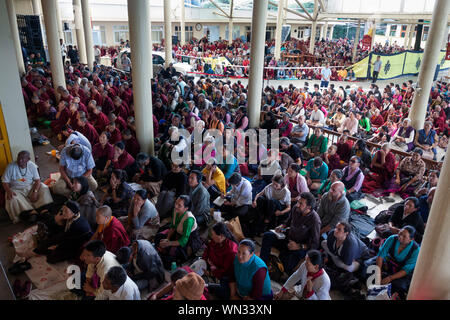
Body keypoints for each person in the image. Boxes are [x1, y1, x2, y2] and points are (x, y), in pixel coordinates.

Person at [260, 192, 321, 275]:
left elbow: (314, 244)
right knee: (267, 236)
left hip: (300, 247)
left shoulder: (315, 220)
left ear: (308, 207)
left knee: (286, 265)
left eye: (301, 203)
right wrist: (282, 227)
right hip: (288, 239)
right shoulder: (296, 208)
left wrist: (299, 246)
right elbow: (288, 222)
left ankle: (281, 267)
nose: (297, 205)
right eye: (298, 202)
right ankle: (263, 264)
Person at [363, 226, 420, 299]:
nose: (400, 237)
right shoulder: (392, 238)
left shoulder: (415, 250)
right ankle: (376, 287)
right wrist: (378, 273)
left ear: (411, 239)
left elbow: (406, 270)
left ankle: (381, 291)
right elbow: (381, 256)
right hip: (388, 263)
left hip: (400, 270)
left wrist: (390, 278)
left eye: (404, 236)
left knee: (400, 286)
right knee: (368, 265)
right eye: (400, 233)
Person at [2, 151, 53, 223]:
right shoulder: (10, 166)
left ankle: (43, 210)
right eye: (18, 158)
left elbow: (37, 180)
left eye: (23, 159)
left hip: (30, 187)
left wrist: (35, 192)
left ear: (28, 159)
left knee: (44, 187)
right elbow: (4, 182)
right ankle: (31, 212)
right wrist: (8, 190)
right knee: (12, 198)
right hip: (16, 190)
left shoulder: (32, 165)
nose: (20, 160)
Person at [155, 195, 203, 268]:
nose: (176, 206)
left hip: (188, 239)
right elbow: (172, 226)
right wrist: (167, 238)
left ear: (186, 208)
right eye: (176, 203)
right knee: (159, 236)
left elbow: (183, 240)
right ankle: (162, 250)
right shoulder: (176, 210)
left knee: (171, 256)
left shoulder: (189, 219)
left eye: (179, 205)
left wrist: (169, 243)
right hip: (177, 232)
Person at [201, 222, 239, 300]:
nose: (212, 236)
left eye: (213, 234)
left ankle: (209, 286)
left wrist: (211, 273)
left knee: (224, 293)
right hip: (212, 265)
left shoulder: (231, 250)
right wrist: (203, 261)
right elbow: (207, 249)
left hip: (225, 274)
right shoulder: (215, 241)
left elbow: (225, 270)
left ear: (221, 236)